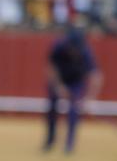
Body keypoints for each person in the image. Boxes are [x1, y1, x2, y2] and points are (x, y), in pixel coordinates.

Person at [43, 25, 104, 154]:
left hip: (75, 81)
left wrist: (88, 99)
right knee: (52, 109)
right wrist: (59, 86)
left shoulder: (85, 52)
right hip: (59, 79)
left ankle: (69, 145)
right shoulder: (59, 47)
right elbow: (51, 67)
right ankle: (50, 141)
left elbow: (96, 77)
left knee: (73, 111)